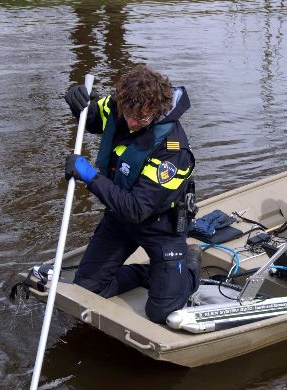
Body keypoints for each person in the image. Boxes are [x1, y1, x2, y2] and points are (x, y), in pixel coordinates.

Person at [64, 65, 199, 323]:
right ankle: (147, 273)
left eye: (142, 119)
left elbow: (137, 209)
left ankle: (190, 266)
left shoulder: (173, 151)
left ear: (157, 113)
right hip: (119, 220)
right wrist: (77, 100)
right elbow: (92, 118)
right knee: (87, 290)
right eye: (128, 115)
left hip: (161, 227)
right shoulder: (121, 107)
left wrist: (90, 176)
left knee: (161, 312)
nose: (132, 123)